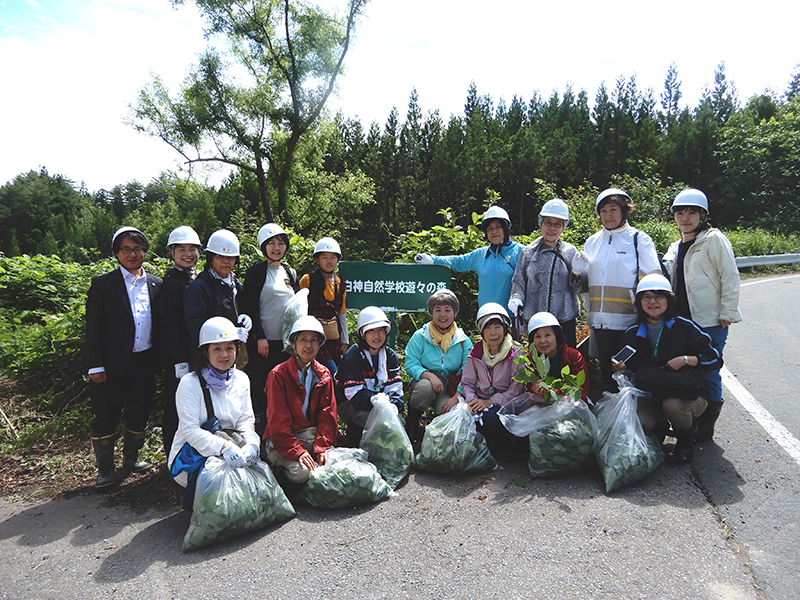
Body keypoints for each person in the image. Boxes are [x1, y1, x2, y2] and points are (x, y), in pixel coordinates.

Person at [612, 274, 722, 465]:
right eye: (646, 297)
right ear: (639, 302)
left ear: (668, 300)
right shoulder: (633, 332)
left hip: (688, 395)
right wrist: (621, 367)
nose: (652, 302)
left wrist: (687, 360)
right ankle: (659, 430)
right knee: (642, 420)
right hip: (652, 394)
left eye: (659, 296)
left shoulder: (685, 327)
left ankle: (685, 442)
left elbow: (715, 359)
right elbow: (632, 367)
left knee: (672, 406)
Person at [662, 189, 742, 442]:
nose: (685, 218)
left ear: (702, 215)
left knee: (708, 370)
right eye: (680, 213)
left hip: (709, 320)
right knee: (689, 371)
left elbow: (729, 276)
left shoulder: (713, 239)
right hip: (683, 321)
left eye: (691, 213)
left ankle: (706, 427)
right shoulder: (676, 245)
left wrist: (727, 311)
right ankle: (692, 417)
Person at [86, 226, 162, 489]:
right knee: (106, 414)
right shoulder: (103, 284)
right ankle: (105, 468)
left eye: (138, 249)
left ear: (145, 252)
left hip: (145, 360)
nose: (133, 254)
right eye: (126, 249)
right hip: (110, 364)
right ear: (117, 253)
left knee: (140, 410)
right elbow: (92, 328)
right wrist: (95, 365)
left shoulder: (155, 283)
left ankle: (132, 457)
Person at [572, 188, 661, 393]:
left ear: (624, 211)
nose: (608, 215)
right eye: (603, 211)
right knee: (606, 373)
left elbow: (652, 280)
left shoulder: (639, 239)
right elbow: (584, 283)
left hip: (629, 322)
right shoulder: (592, 242)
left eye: (613, 209)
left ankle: (636, 418)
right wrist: (576, 274)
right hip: (600, 323)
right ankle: (611, 417)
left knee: (630, 372)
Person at [168, 317, 261, 509]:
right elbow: (190, 431)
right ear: (205, 352)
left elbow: (245, 420)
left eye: (229, 348)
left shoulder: (242, 379)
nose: (224, 355)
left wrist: (252, 443)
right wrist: (225, 447)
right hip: (195, 454)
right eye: (217, 349)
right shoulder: (190, 383)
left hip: (233, 446)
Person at [263, 316, 338, 485]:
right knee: (302, 474)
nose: (308, 345)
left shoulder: (324, 374)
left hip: (310, 438)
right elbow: (278, 423)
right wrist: (298, 452)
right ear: (293, 343)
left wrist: (322, 448)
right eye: (303, 339)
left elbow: (328, 416)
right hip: (282, 441)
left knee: (332, 465)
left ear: (320, 344)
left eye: (313, 340)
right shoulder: (278, 375)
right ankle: (278, 474)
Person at [241, 223, 299, 437]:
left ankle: (281, 431)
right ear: (264, 246)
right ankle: (258, 432)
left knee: (282, 387)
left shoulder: (290, 273)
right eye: (272, 243)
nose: (277, 248)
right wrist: (259, 336)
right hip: (263, 343)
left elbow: (296, 307)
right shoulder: (256, 272)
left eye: (281, 243)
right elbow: (250, 306)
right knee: (260, 387)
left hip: (285, 344)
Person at [414, 206, 523, 317]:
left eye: (498, 227)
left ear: (506, 228)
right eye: (489, 228)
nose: (494, 231)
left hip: (512, 318)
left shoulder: (520, 252)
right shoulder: (480, 255)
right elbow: (459, 262)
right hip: (486, 318)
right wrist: (433, 259)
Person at [508, 199, 581, 346]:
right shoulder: (528, 252)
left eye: (557, 224)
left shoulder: (570, 252)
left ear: (563, 227)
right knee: (537, 364)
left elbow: (578, 288)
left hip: (564, 319)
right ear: (541, 224)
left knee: (565, 363)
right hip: (536, 320)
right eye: (548, 222)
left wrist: (578, 274)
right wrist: (516, 298)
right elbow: (519, 281)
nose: (552, 228)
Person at [404, 289, 474, 443]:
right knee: (424, 388)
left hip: (449, 389)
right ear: (431, 313)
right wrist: (429, 376)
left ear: (455, 313)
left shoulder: (463, 341)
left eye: (447, 310)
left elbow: (469, 373)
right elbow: (410, 363)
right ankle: (412, 426)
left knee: (449, 412)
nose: (443, 315)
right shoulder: (420, 336)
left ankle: (434, 437)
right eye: (438, 310)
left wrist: (457, 396)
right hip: (424, 384)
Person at [158, 225, 203, 455]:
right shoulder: (172, 283)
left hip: (195, 355)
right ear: (172, 253)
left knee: (193, 408)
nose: (188, 254)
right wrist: (179, 361)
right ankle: (173, 458)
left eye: (192, 249)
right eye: (181, 249)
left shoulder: (193, 278)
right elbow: (169, 326)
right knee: (177, 410)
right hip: (180, 359)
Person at [460, 303, 526, 455]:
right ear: (482, 332)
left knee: (490, 418)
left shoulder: (516, 353)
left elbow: (516, 388)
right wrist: (472, 401)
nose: (493, 333)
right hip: (481, 400)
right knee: (467, 417)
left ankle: (499, 449)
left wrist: (491, 401)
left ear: (505, 328)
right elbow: (467, 382)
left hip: (505, 404)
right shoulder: (476, 352)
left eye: (497, 327)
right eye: (488, 328)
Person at [335, 306, 404, 445]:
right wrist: (376, 403)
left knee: (398, 420)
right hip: (351, 404)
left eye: (380, 330)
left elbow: (395, 386)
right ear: (363, 334)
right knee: (365, 417)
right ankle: (355, 437)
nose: (377, 336)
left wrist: (394, 405)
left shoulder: (389, 356)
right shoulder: (353, 356)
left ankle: (380, 447)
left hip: (380, 403)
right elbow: (353, 393)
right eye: (371, 331)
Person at [183, 229, 251, 366]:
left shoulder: (235, 283)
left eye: (230, 258)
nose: (226, 262)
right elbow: (196, 325)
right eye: (220, 257)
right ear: (211, 258)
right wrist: (231, 332)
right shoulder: (200, 287)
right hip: (209, 359)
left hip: (233, 356)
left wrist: (246, 317)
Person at [299, 237, 349, 376]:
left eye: (333, 257)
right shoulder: (307, 280)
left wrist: (344, 341)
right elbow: (300, 308)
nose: (329, 261)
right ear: (317, 260)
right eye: (325, 257)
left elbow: (341, 313)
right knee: (330, 372)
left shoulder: (340, 284)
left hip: (333, 336)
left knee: (337, 373)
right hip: (313, 335)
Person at [525, 312, 589, 402]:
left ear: (556, 336)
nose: (542, 341)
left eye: (547, 335)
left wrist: (555, 391)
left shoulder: (573, 356)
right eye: (538, 336)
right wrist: (534, 389)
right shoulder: (532, 359)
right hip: (541, 405)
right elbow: (528, 390)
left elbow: (580, 391)